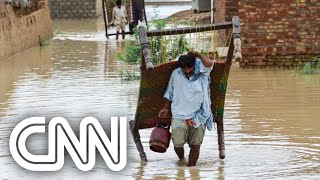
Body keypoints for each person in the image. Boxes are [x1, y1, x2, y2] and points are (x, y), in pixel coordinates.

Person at [158, 51, 214, 166]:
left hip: (199, 115)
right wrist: (165, 108)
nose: (187, 71)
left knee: (196, 145)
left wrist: (197, 54)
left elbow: (209, 63)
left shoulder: (202, 73)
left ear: (195, 64)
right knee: (177, 144)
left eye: (189, 67)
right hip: (179, 114)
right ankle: (182, 159)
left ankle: (191, 169)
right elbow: (170, 92)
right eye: (184, 68)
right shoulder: (176, 73)